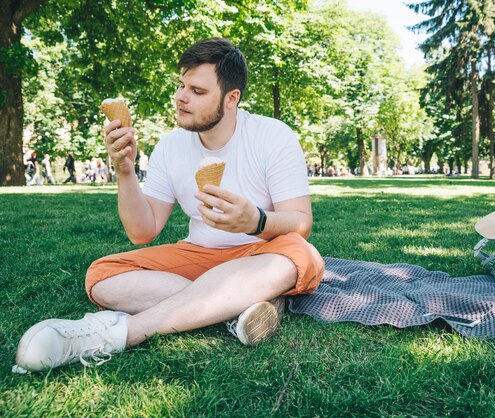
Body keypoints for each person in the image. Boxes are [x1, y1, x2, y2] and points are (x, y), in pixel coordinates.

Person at [14, 38, 325, 373]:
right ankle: (237, 307)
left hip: (261, 253)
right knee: (102, 274)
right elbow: (142, 232)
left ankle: (115, 333)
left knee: (300, 256)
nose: (180, 96)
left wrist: (256, 220)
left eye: (197, 90)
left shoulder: (273, 136)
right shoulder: (170, 146)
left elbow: (300, 222)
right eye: (181, 85)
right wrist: (124, 170)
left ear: (232, 98)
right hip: (198, 255)